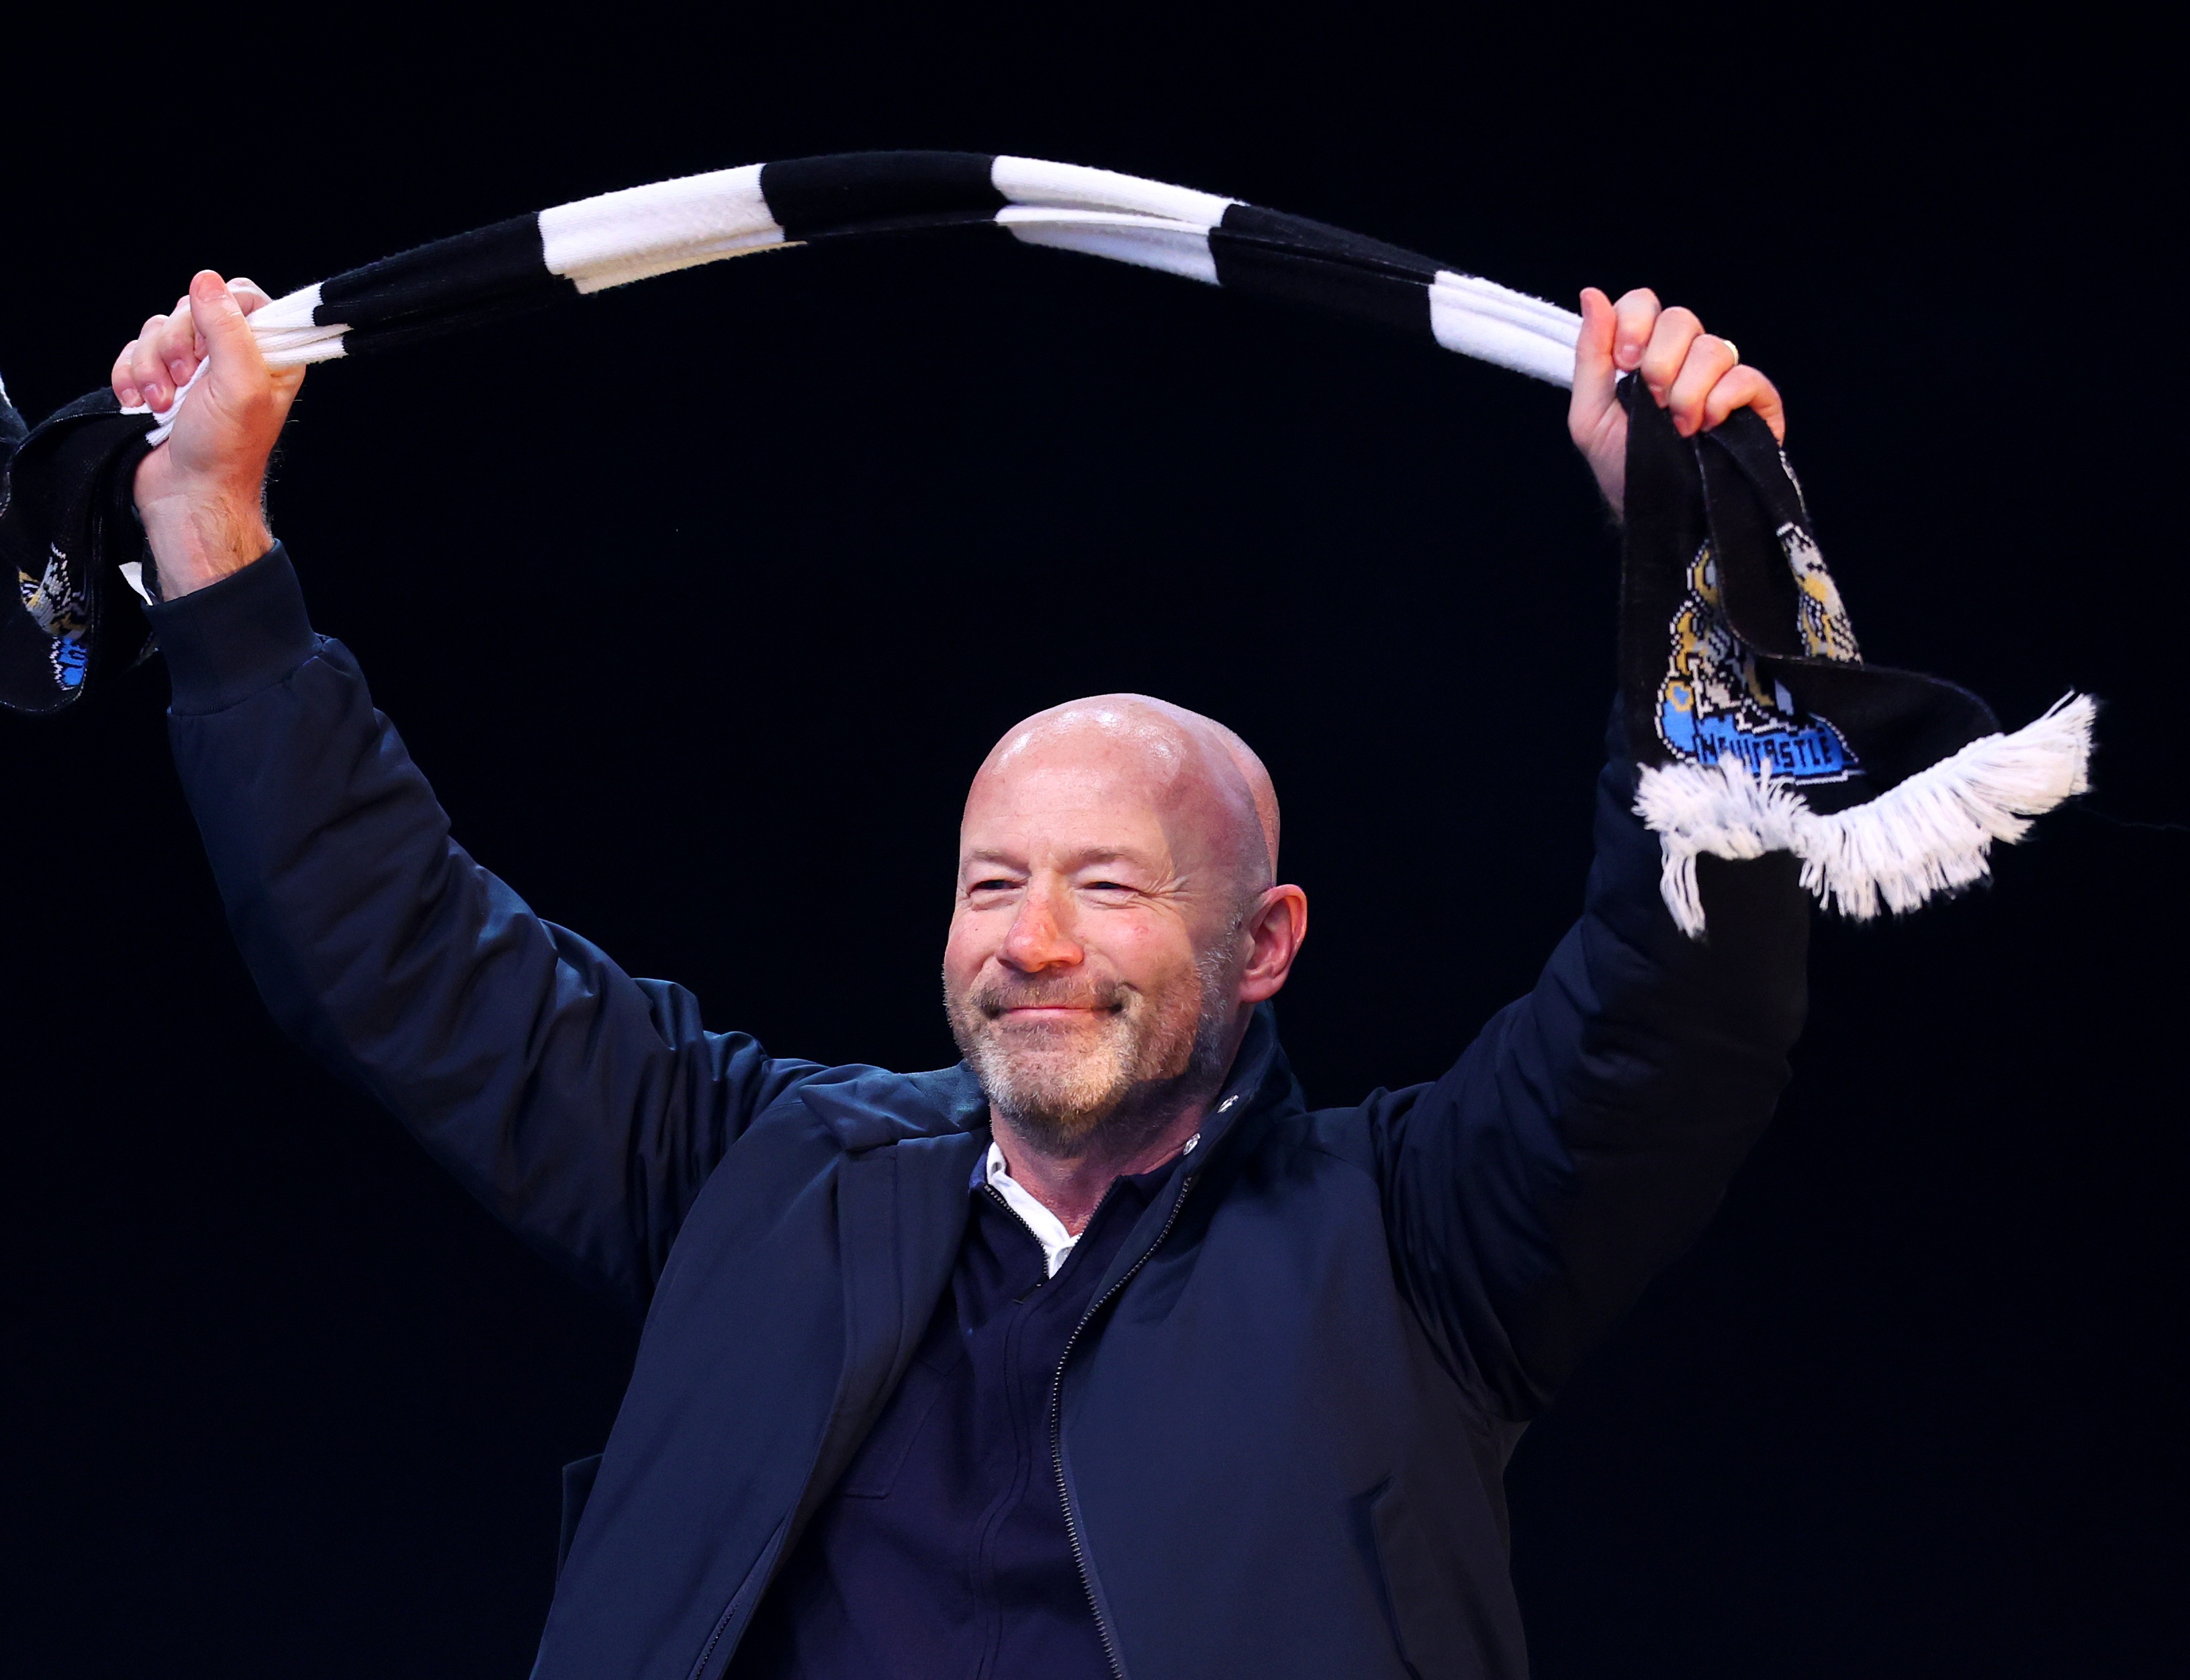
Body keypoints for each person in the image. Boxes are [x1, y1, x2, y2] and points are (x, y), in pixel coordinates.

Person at [113, 268, 1803, 1679]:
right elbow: (402, 953)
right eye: (992, 882)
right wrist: (207, 532)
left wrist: (1698, 562)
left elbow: (1670, 1018)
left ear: (1263, 943)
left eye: (1106, 887)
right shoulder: (763, 1173)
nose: (1032, 941)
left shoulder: (1414, 1244)